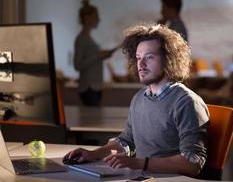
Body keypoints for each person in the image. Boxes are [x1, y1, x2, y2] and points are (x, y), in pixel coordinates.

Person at [64, 24, 209, 177]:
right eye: (138, 58)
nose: (141, 64)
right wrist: (93, 154)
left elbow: (192, 163)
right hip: (140, 176)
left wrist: (139, 163)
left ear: (169, 60)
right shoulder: (139, 97)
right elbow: (127, 141)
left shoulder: (186, 102)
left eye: (149, 57)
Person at [74, 0, 118, 106]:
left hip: (95, 86)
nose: (98, 19)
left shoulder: (88, 38)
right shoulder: (81, 39)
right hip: (89, 87)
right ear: (87, 18)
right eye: (95, 16)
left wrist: (101, 56)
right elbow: (77, 64)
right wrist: (98, 56)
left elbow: (91, 58)